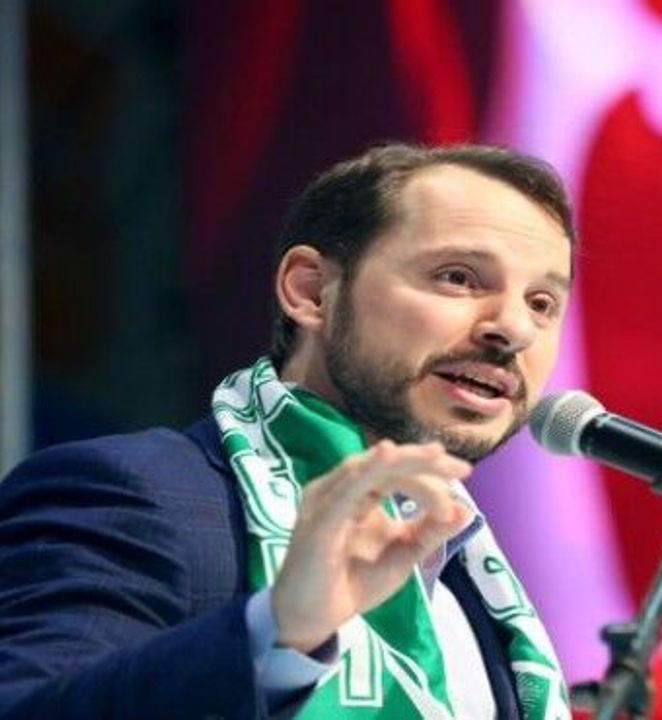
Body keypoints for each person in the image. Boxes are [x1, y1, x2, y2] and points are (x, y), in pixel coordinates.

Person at [0, 143, 577, 719]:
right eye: (458, 277)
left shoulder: (475, 584)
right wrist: (277, 633)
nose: (514, 328)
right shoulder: (136, 495)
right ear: (311, 291)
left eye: (542, 303)